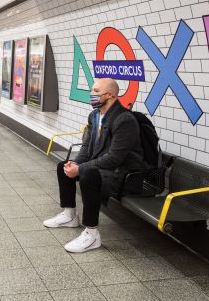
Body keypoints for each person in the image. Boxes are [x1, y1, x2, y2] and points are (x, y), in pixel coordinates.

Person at [43, 78, 144, 253]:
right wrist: (75, 164)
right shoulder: (95, 116)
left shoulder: (124, 120)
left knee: (88, 174)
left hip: (124, 174)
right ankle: (69, 216)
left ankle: (91, 233)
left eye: (96, 91)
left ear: (110, 95)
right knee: (63, 166)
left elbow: (114, 158)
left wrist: (81, 169)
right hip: (106, 168)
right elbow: (87, 148)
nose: (92, 94)